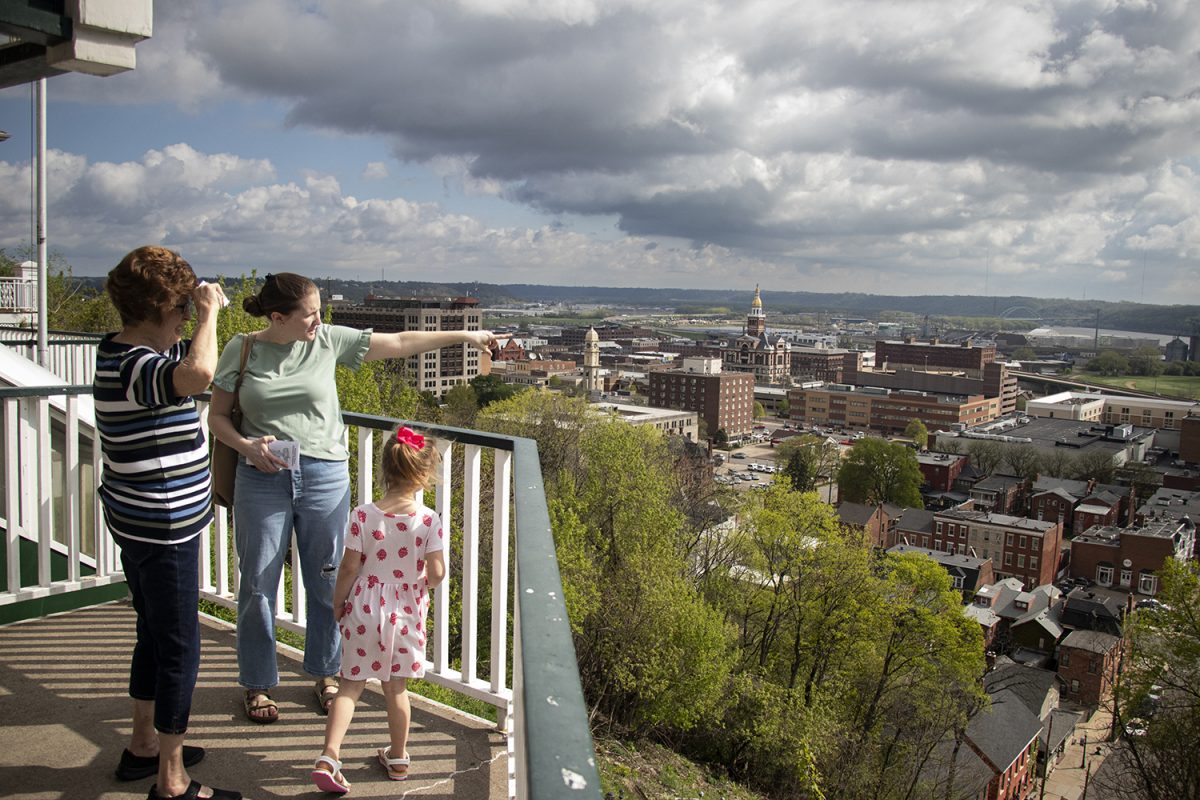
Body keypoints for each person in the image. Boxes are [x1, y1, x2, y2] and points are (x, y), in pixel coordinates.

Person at [208, 273, 493, 723]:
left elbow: (400, 341)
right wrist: (246, 448)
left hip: (323, 476)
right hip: (261, 478)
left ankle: (326, 674)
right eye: (311, 313)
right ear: (278, 317)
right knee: (257, 586)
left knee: (327, 582)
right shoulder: (242, 349)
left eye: (321, 310)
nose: (320, 320)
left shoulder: (326, 341)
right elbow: (218, 417)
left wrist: (466, 334)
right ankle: (258, 684)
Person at [94, 246, 241, 800]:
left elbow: (193, 363)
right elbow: (201, 371)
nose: (184, 316)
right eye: (178, 307)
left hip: (137, 519)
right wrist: (210, 313)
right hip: (162, 526)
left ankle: (142, 748)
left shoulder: (117, 351)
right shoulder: (138, 366)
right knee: (181, 646)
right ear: (159, 306)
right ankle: (173, 782)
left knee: (153, 634)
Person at [309, 425, 446, 792]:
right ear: (423, 475)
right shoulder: (429, 520)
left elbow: (349, 568)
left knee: (350, 686)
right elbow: (436, 574)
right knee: (396, 687)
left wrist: (339, 604)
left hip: (365, 606)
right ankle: (398, 758)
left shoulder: (363, 515)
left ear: (386, 470)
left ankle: (329, 755)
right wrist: (420, 583)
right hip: (405, 612)